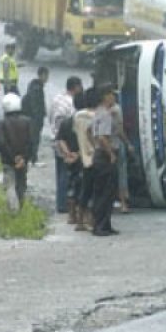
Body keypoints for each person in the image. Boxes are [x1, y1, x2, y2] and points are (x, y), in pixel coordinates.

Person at [49, 76, 83, 214]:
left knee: (60, 173)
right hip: (67, 143)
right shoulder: (71, 103)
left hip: (55, 139)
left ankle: (60, 203)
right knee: (68, 175)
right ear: (76, 87)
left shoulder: (57, 99)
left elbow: (51, 117)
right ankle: (66, 205)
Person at [88, 86, 120, 236]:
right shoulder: (106, 114)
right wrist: (111, 153)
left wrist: (94, 146)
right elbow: (102, 137)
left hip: (98, 155)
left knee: (100, 191)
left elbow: (89, 131)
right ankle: (100, 225)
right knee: (107, 193)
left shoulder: (97, 113)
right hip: (106, 156)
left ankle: (104, 224)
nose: (114, 98)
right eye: (112, 95)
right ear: (106, 96)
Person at [0, 93, 31, 210]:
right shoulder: (27, 121)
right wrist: (23, 158)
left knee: (10, 184)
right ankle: (20, 207)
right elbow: (30, 142)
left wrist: (12, 158)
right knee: (21, 183)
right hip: (23, 160)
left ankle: (13, 210)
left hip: (8, 160)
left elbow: (1, 143)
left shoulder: (2, 123)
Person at [57, 92, 85, 224]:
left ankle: (71, 215)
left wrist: (68, 153)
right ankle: (82, 217)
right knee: (83, 187)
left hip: (70, 159)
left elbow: (60, 139)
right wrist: (78, 154)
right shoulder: (86, 121)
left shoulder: (67, 121)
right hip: (83, 159)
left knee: (71, 186)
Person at [73, 87, 99, 231]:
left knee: (85, 190)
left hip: (83, 156)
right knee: (96, 191)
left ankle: (80, 220)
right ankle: (93, 220)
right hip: (95, 156)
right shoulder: (95, 116)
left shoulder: (77, 116)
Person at [21, 67, 49, 166]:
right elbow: (36, 105)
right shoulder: (37, 88)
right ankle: (33, 159)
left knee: (31, 137)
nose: (47, 78)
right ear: (42, 75)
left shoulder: (34, 86)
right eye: (46, 75)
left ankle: (30, 158)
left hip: (30, 116)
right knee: (34, 138)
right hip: (35, 118)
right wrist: (38, 117)